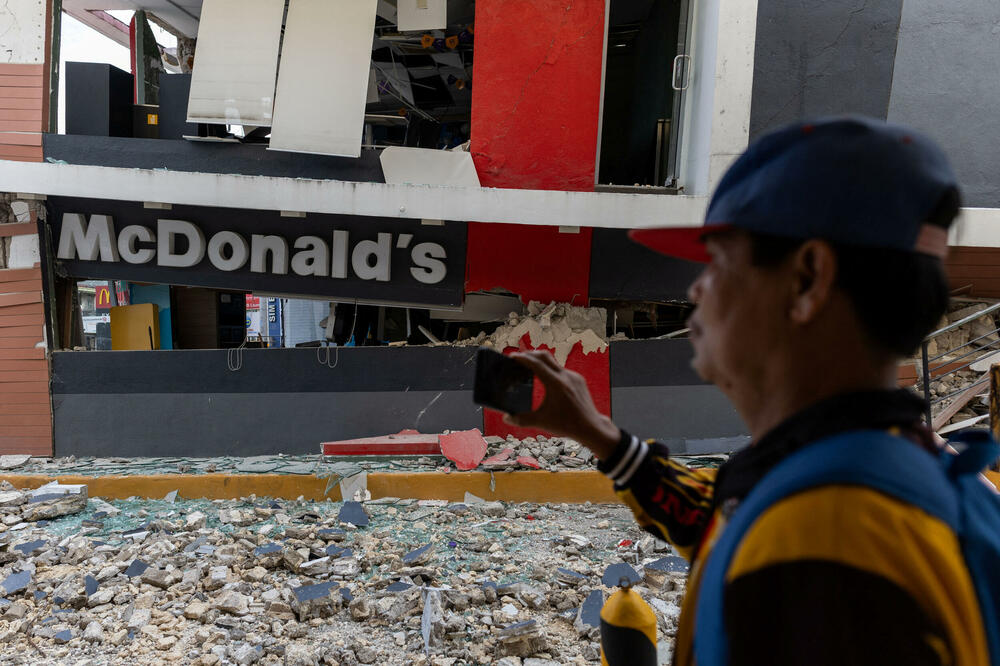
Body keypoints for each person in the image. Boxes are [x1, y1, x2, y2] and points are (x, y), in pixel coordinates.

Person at [508, 116, 989, 665]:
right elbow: (724, 519)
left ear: (807, 279)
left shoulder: (823, 552)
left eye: (717, 261)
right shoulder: (901, 480)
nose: (696, 288)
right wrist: (599, 436)